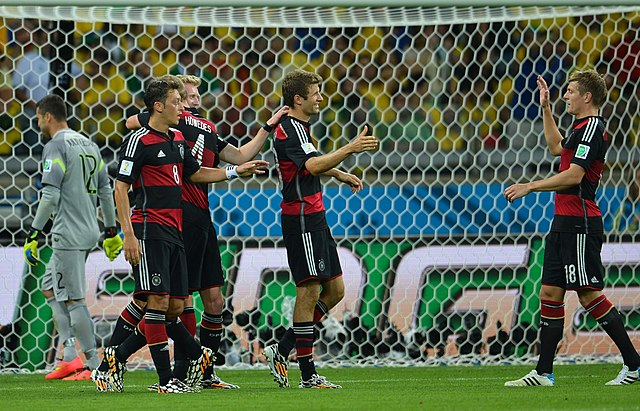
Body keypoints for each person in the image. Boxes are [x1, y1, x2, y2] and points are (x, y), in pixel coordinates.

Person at [90, 76, 269, 394]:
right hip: (150, 228)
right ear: (161, 105)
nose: (185, 105)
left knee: (175, 306)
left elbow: (197, 173)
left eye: (187, 98)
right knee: (156, 301)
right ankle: (166, 378)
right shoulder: (140, 139)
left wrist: (234, 171)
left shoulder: (178, 138)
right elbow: (120, 185)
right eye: (179, 100)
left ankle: (120, 359)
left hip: (179, 229)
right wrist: (127, 235)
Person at [503, 69, 640, 387]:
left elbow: (575, 175)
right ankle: (543, 372)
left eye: (570, 91)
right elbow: (556, 148)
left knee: (589, 294)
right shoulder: (580, 127)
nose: (565, 94)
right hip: (563, 222)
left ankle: (633, 365)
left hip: (580, 221)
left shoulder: (593, 127)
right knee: (549, 292)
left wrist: (530, 186)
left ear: (587, 97)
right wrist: (546, 107)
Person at [263, 69, 379, 389]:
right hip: (301, 218)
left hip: (315, 215)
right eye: (315, 93)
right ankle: (308, 374)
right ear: (298, 99)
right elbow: (312, 165)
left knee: (336, 291)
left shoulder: (301, 127)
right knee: (309, 290)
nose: (321, 98)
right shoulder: (289, 128)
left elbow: (312, 162)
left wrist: (340, 174)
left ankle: (284, 348)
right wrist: (350, 148)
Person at [23, 94, 123, 381]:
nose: (39, 123)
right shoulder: (89, 144)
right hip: (89, 227)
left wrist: (34, 233)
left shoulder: (55, 145)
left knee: (74, 300)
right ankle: (69, 355)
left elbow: (51, 194)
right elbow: (106, 190)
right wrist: (110, 231)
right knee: (48, 287)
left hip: (68, 232)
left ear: (47, 116)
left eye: (39, 118)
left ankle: (94, 366)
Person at [612, 168, 640, 233]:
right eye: (639, 178)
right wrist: (635, 221)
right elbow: (614, 231)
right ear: (633, 182)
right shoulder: (625, 206)